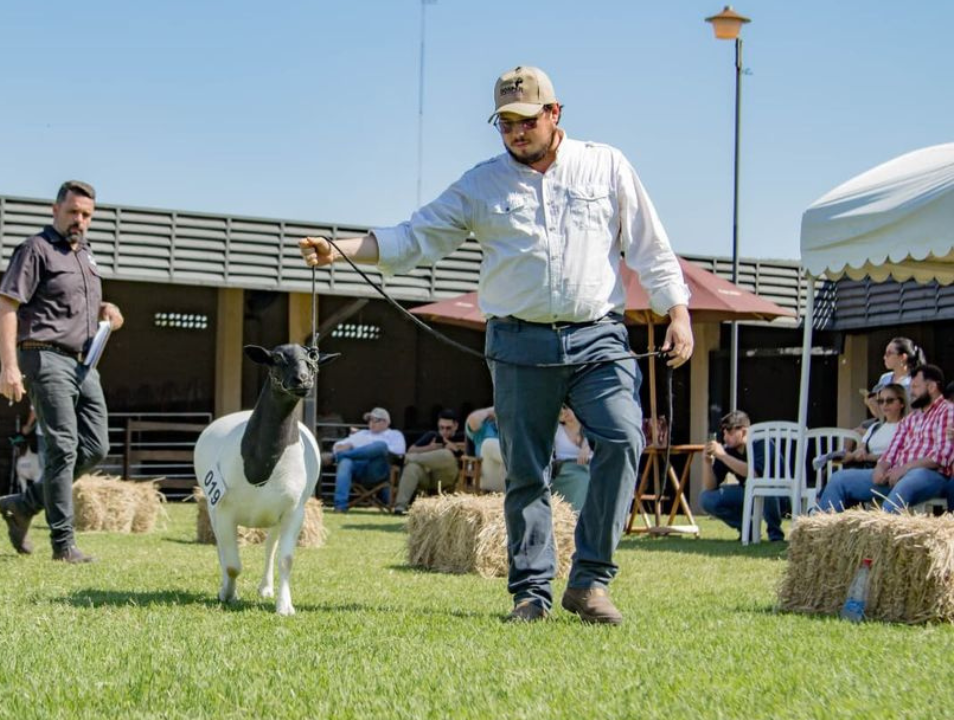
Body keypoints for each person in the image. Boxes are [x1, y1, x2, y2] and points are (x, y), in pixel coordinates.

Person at [299, 66, 693, 624]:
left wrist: (678, 311)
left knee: (625, 438)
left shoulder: (607, 165)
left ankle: (589, 583)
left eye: (526, 121)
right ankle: (531, 593)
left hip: (598, 335)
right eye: (505, 123)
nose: (515, 133)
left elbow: (651, 247)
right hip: (516, 340)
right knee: (527, 471)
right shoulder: (482, 184)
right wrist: (341, 249)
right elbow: (415, 237)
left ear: (555, 114)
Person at [0, 180, 125, 564]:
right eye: (73, 212)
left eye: (86, 215)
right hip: (44, 356)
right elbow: (6, 306)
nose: (80, 220)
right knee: (63, 448)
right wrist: (9, 366)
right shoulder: (35, 250)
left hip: (84, 363)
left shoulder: (86, 255)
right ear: (55, 210)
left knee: (96, 447)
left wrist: (107, 311)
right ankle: (63, 545)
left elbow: (76, 305)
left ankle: (24, 504)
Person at [817, 366, 953, 514]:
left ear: (932, 387)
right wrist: (880, 468)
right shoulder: (911, 418)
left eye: (915, 387)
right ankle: (822, 533)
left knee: (909, 481)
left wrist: (903, 469)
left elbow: (940, 457)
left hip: (930, 475)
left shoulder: (948, 411)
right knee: (840, 479)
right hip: (896, 474)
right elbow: (892, 451)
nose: (911, 392)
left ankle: (878, 531)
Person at [700, 411, 785, 542]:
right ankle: (747, 529)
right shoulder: (728, 450)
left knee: (765, 485)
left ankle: (775, 535)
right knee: (706, 498)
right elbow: (711, 486)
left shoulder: (762, 442)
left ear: (744, 432)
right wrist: (706, 462)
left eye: (729, 432)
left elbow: (756, 474)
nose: (725, 437)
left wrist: (723, 456)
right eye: (724, 432)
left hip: (780, 494)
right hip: (748, 493)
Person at [329, 407, 406, 513]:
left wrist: (371, 450)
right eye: (370, 420)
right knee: (345, 463)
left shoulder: (394, 434)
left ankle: (343, 456)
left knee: (380, 446)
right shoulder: (362, 434)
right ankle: (340, 506)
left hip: (379, 470)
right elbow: (337, 447)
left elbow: (400, 451)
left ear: (386, 422)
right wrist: (347, 445)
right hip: (359, 471)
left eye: (376, 420)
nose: (371, 423)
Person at [393, 409, 464, 515]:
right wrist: (430, 447)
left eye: (448, 428)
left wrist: (449, 445)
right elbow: (411, 450)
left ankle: (404, 459)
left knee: (446, 454)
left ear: (456, 426)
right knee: (412, 466)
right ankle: (400, 507)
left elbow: (466, 455)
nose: (444, 431)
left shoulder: (462, 436)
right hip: (429, 477)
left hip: (448, 477)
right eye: (441, 428)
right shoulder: (433, 435)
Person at [551, 406, 591, 511]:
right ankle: (575, 517)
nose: (565, 413)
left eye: (566, 408)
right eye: (560, 413)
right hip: (565, 470)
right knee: (583, 478)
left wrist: (586, 445)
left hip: (590, 468)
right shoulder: (557, 431)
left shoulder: (591, 428)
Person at [465, 406, 506, 492]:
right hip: (487, 477)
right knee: (488, 444)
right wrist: (491, 410)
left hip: (509, 479)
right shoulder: (485, 427)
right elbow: (472, 419)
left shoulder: (513, 429)